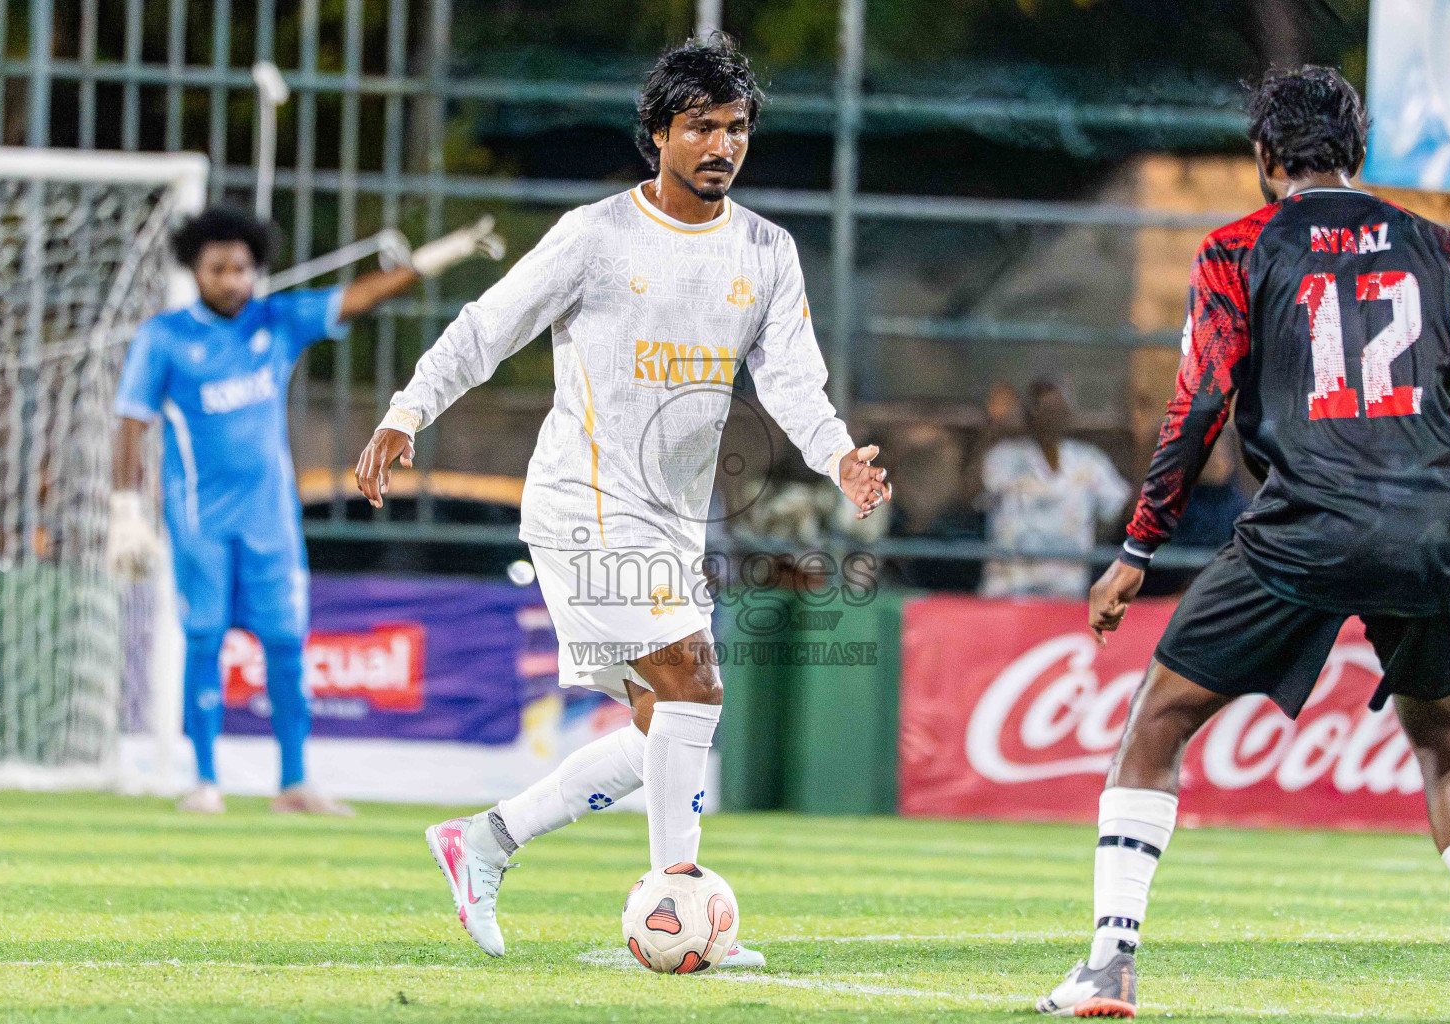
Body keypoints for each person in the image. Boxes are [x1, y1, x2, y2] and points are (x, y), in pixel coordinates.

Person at [354, 36, 891, 967]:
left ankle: (484, 841)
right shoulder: (596, 237)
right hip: (584, 504)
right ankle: (679, 912)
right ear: (659, 135)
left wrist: (840, 457)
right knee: (695, 686)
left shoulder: (767, 251)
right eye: (700, 128)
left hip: (674, 521)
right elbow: (489, 328)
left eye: (736, 129)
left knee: (666, 727)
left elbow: (797, 383)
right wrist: (407, 411)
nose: (721, 146)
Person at [1039, 67, 1450, 1019]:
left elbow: (1201, 400)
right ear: (1360, 154)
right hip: (1430, 526)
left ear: (1262, 159)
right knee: (1443, 736)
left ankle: (1111, 964)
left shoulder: (1238, 250)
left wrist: (1138, 547)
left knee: (1160, 717)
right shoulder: (1443, 250)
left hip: (1307, 527)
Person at [109, 205, 485, 815]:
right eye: (219, 269)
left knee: (286, 642)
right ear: (195, 271)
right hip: (199, 519)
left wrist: (424, 263)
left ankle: (293, 783)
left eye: (243, 268)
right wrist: (124, 510)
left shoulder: (276, 321)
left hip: (271, 520)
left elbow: (356, 299)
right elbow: (130, 424)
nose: (233, 279)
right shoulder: (164, 338)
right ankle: (204, 781)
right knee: (203, 639)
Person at [981, 379, 1129, 599]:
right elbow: (967, 499)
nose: (1050, 416)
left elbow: (1121, 508)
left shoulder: (1088, 460)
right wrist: (995, 426)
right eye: (1042, 409)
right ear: (1028, 415)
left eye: (1058, 409)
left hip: (1067, 591)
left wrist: (1147, 444)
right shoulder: (1003, 457)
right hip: (1010, 589)